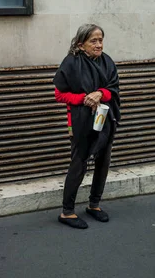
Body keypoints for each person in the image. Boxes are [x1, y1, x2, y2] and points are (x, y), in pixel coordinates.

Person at [53, 24, 121, 229]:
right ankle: (67, 211)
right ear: (81, 44)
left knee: (103, 161)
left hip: (103, 120)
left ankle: (94, 204)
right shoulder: (71, 63)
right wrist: (84, 98)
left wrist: (100, 93)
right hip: (79, 123)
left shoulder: (107, 62)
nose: (99, 44)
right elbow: (59, 95)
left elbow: (113, 89)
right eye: (94, 41)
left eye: (101, 40)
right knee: (79, 163)